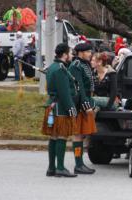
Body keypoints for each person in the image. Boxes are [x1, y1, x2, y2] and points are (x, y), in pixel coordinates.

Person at [42, 43, 77, 178]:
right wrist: (71, 108)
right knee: (61, 135)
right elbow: (64, 92)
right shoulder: (61, 69)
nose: (71, 55)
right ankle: (60, 168)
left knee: (54, 136)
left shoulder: (52, 67)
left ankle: (51, 168)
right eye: (70, 53)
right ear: (64, 54)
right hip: (61, 107)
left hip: (52, 106)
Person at [69, 43, 97, 175]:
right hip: (79, 104)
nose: (90, 54)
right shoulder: (76, 66)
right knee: (78, 135)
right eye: (88, 52)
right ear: (80, 52)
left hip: (86, 101)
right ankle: (78, 164)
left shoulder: (85, 64)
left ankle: (80, 163)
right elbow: (79, 88)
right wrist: (86, 106)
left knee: (82, 134)